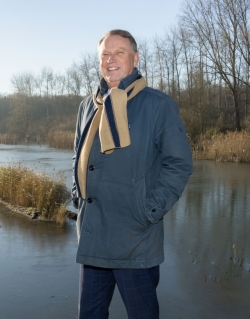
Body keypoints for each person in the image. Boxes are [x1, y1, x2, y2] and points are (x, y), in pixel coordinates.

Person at [71, 29, 193, 319]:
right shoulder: (88, 105)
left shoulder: (157, 105)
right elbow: (78, 155)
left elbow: (179, 164)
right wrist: (77, 196)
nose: (111, 60)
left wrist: (148, 211)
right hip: (94, 236)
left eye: (119, 53)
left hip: (134, 239)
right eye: (105, 55)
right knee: (89, 315)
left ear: (135, 58)